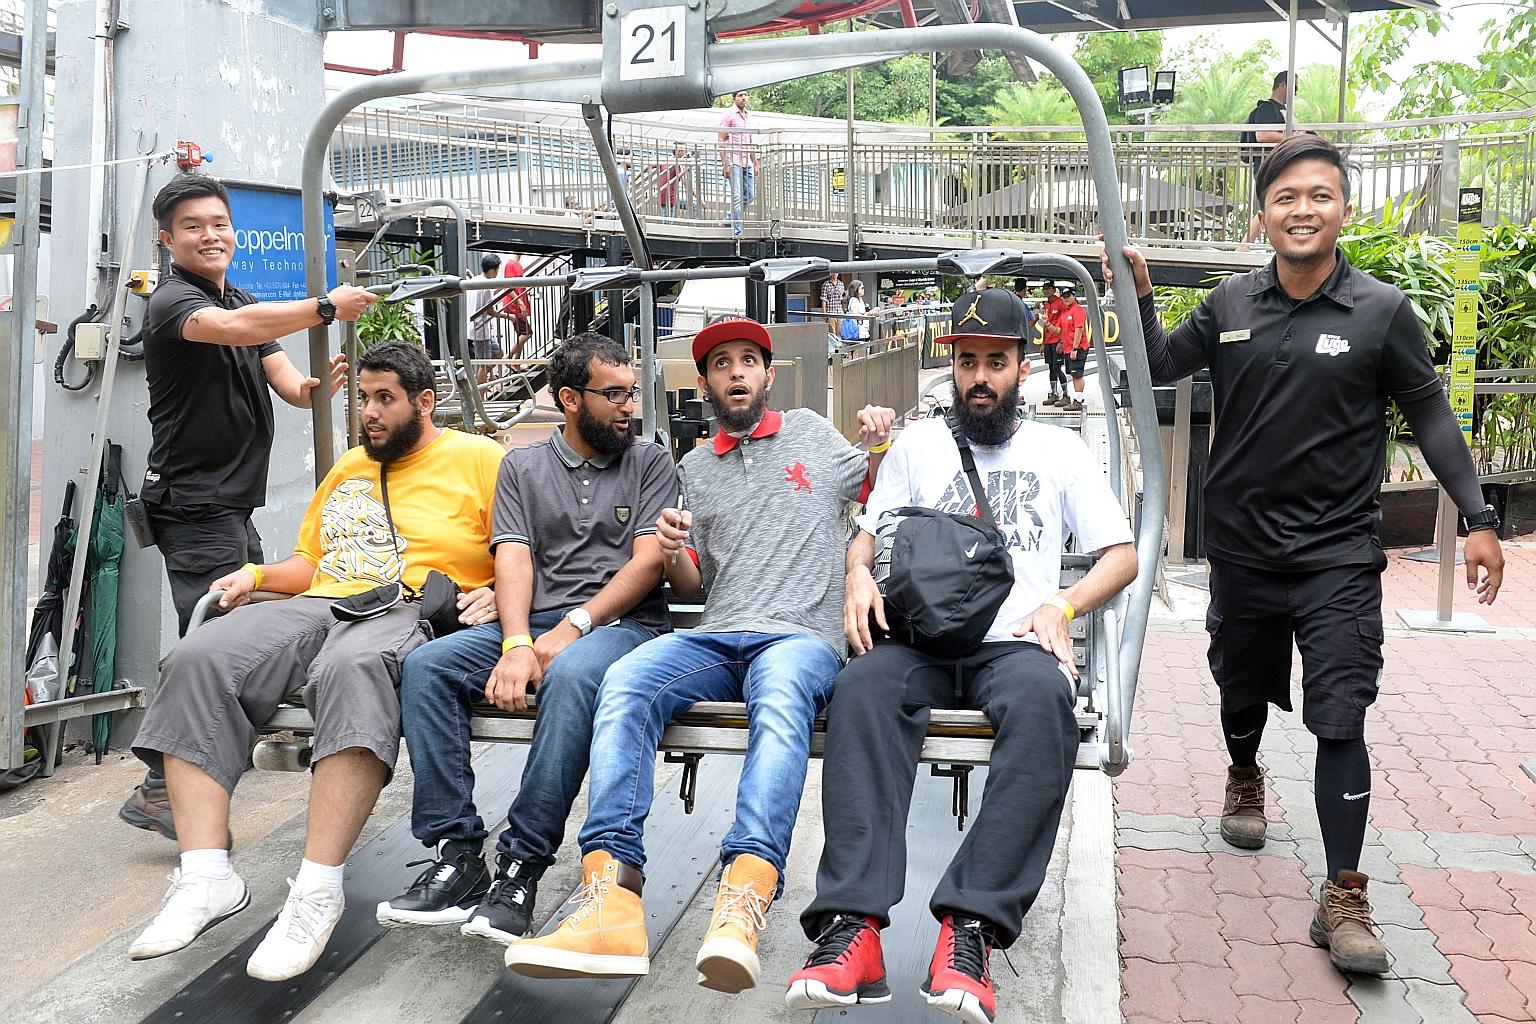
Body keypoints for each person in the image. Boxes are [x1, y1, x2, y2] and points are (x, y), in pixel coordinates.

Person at [1103, 134, 1507, 977]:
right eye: (1286, 197)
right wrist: (1138, 295)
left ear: (1343, 211)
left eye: (1319, 195)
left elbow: (1430, 415)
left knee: (1340, 715)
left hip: (1338, 554)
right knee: (1240, 684)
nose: (1302, 210)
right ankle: (1244, 771)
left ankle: (1344, 896)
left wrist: (1477, 516)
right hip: (1242, 548)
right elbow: (1158, 366)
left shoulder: (1381, 311)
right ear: (1262, 217)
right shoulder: (1229, 302)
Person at [503, 316, 896, 993]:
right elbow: (694, 587)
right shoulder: (694, 469)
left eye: (749, 361)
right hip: (718, 633)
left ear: (767, 376)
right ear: (707, 383)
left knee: (780, 699)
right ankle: (611, 894)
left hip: (800, 637)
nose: (736, 372)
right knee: (626, 679)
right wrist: (672, 550)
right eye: (721, 364)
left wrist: (881, 439)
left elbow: (876, 490)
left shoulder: (810, 433)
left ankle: (744, 894)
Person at [785, 286, 1138, 1024]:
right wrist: (857, 573)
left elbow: (1121, 555)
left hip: (1012, 642)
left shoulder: (1059, 451)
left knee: (1046, 703)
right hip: (922, 637)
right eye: (968, 362)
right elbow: (868, 534)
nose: (980, 378)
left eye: (995, 363)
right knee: (863, 689)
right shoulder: (918, 445)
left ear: (1022, 367)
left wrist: (1063, 605)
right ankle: (853, 925)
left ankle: (971, 925)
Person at [126, 341, 505, 981]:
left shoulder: (480, 458)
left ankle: (316, 889)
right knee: (198, 656)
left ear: (424, 402)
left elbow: (521, 546)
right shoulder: (350, 466)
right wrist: (255, 575)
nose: (369, 412)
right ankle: (206, 875)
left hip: (409, 604)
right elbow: (311, 563)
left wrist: (495, 591)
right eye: (362, 398)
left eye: (384, 399)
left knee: (350, 669)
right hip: (323, 601)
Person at [378, 332, 677, 945]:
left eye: (632, 393)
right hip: (536, 622)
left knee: (570, 674)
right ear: (570, 399)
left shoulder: (649, 462)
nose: (629, 407)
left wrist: (571, 628)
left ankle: (521, 865)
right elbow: (512, 556)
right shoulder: (522, 465)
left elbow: (649, 563)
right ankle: (457, 854)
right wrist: (516, 643)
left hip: (622, 627)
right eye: (614, 394)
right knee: (429, 666)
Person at [119, 174, 378, 842]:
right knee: (220, 643)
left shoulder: (240, 297)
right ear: (167, 239)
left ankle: (175, 776)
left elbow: (286, 383)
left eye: (218, 223)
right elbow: (232, 331)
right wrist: (325, 307)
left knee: (246, 630)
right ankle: (161, 788)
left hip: (231, 504)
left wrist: (316, 388)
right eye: (193, 226)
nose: (210, 235)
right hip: (193, 503)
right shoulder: (174, 301)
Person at [1241, 71, 1293, 245]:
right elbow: (1262, 135)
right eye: (1294, 87)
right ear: (1283, 84)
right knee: (1270, 205)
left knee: (1274, 204)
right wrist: (1293, 137)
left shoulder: (1282, 110)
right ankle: (1245, 245)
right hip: (1268, 166)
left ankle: (1247, 245)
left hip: (1279, 166)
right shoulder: (1267, 108)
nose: (1295, 92)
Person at [719, 91, 759, 236]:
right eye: (740, 95)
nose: (744, 98)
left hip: (746, 161)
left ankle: (729, 218)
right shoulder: (728, 115)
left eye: (745, 95)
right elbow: (721, 139)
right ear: (734, 98)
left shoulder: (748, 116)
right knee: (736, 196)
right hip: (734, 160)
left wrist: (756, 163)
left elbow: (750, 141)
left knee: (750, 195)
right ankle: (737, 231)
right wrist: (725, 164)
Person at [469, 253, 503, 385]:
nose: (497, 272)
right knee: (483, 364)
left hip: (476, 328)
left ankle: (479, 382)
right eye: (497, 269)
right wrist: (508, 316)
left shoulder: (474, 281)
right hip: (480, 329)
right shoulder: (486, 287)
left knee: (498, 353)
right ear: (492, 270)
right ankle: (480, 392)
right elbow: (490, 311)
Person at [1056, 286, 1089, 412]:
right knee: (1074, 375)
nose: (1066, 299)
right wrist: (1047, 323)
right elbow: (1059, 330)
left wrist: (1075, 348)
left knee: (1077, 375)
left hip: (1077, 348)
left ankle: (1078, 401)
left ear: (1074, 296)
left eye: (1068, 296)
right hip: (1068, 348)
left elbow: (1079, 329)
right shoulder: (1065, 312)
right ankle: (1077, 399)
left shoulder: (1078, 310)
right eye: (1064, 297)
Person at [498, 254, 534, 365]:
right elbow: (508, 286)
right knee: (527, 333)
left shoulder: (517, 264)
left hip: (517, 304)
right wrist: (520, 302)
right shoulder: (511, 264)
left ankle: (516, 362)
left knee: (522, 333)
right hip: (514, 305)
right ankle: (508, 357)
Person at [1038, 282, 1069, 407]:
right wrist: (1043, 343)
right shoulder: (1046, 304)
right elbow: (1045, 325)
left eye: (1048, 289)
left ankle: (1066, 395)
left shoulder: (1060, 303)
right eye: (1044, 289)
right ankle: (1054, 393)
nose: (1046, 291)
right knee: (1051, 368)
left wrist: (1062, 341)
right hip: (1048, 341)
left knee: (1057, 368)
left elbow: (1065, 322)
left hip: (1057, 340)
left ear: (1053, 289)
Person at [658, 145, 692, 221]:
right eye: (684, 151)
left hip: (662, 194)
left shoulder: (666, 161)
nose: (685, 153)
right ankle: (694, 223)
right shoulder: (676, 164)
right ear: (679, 152)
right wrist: (700, 200)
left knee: (666, 215)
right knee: (694, 205)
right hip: (669, 196)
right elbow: (685, 182)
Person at [821, 272, 848, 338]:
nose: (835, 273)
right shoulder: (826, 284)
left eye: (836, 272)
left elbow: (842, 299)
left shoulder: (841, 284)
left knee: (840, 333)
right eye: (833, 272)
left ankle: (839, 345)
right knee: (832, 333)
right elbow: (824, 300)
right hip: (830, 312)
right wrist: (824, 314)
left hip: (839, 312)